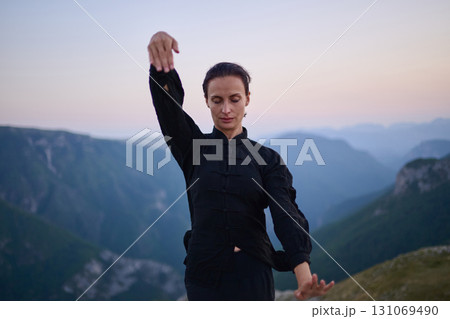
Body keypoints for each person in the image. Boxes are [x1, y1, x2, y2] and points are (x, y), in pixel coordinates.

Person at [147, 31, 334, 301]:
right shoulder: (192, 148)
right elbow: (168, 108)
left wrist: (303, 274)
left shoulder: (267, 160)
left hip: (253, 277)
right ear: (207, 101)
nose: (226, 109)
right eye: (217, 100)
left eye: (234, 99)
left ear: (247, 98)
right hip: (203, 277)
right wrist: (160, 67)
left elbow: (286, 213)